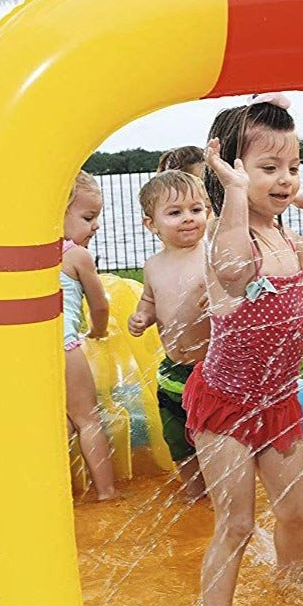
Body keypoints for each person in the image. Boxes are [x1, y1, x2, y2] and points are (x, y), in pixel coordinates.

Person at [184, 93, 303, 606]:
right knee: (239, 522)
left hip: (275, 401)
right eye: (268, 168)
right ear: (229, 167)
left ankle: (292, 578)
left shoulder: (281, 235)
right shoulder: (230, 236)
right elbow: (233, 271)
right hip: (225, 406)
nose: (284, 180)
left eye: (292, 168)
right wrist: (229, 192)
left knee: (298, 509)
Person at [128, 170, 211, 500]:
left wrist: (226, 294)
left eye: (196, 209)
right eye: (175, 213)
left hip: (212, 371)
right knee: (177, 440)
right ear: (152, 224)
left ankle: (223, 496)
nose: (188, 219)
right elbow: (150, 300)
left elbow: (243, 287)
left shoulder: (212, 256)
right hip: (173, 372)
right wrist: (141, 316)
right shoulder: (153, 266)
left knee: (215, 438)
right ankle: (194, 495)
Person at [62, 171, 117, 500]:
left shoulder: (25, 257)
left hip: (26, 352)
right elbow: (99, 307)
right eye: (88, 217)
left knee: (57, 423)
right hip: (64, 349)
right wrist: (96, 332)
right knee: (88, 420)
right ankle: (107, 491)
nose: (95, 225)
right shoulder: (77, 256)